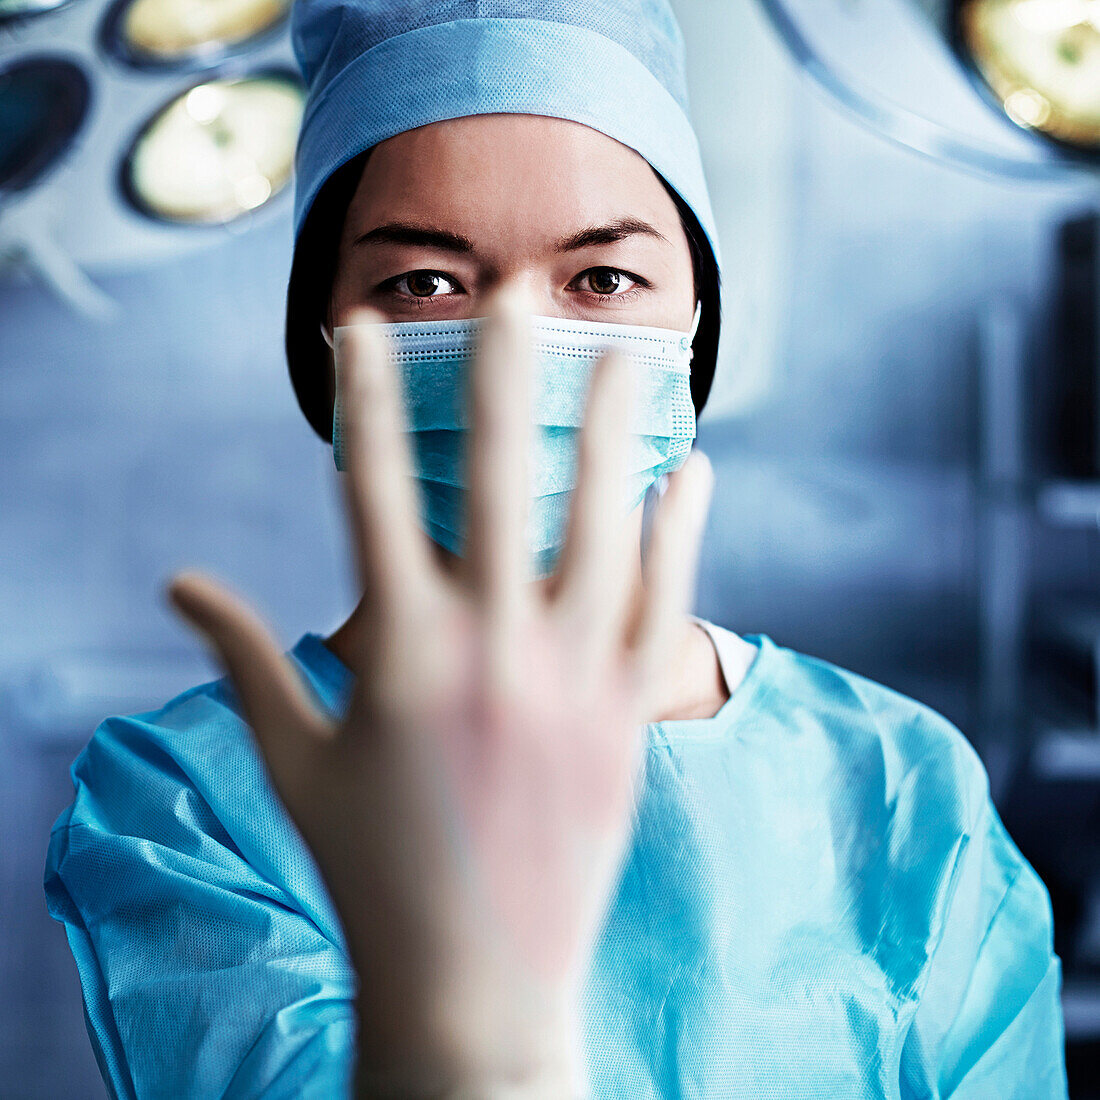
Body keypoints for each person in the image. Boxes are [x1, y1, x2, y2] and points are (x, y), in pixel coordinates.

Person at [44, 1, 1069, 1097]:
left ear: (694, 325)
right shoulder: (189, 803)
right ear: (323, 343)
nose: (512, 350)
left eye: (600, 279)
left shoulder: (897, 780)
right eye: (424, 282)